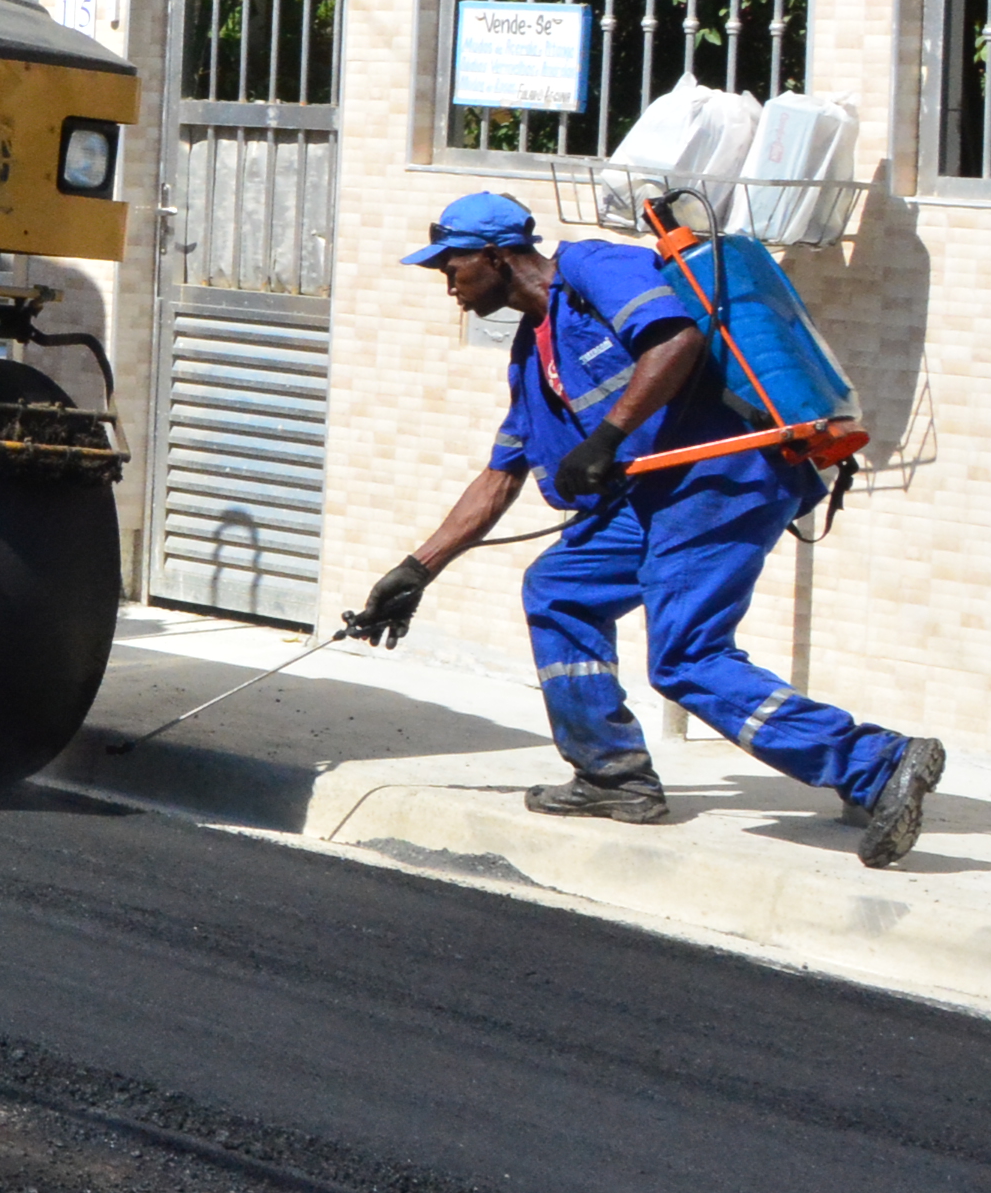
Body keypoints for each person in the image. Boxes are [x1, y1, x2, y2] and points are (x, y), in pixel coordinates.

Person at [347, 190, 944, 866]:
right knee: (561, 587)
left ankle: (874, 762)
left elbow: (676, 338)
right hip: (657, 494)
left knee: (686, 656)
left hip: (725, 477)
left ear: (494, 256)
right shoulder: (529, 355)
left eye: (450, 265)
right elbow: (500, 476)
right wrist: (416, 570)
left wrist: (605, 438)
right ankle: (612, 775)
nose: (447, 283)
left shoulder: (593, 268)